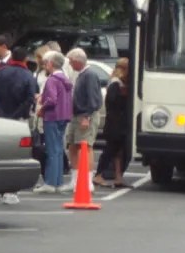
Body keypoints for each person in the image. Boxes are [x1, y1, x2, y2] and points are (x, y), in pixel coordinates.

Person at [0, 45, 39, 205]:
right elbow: (30, 98)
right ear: (25, 59)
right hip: (18, 120)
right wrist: (16, 114)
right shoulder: (28, 75)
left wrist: (0, 112)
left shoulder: (1, 72)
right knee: (15, 156)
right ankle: (10, 192)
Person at [63, 47, 103, 193]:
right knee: (73, 146)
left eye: (71, 61)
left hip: (85, 115)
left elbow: (93, 97)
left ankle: (87, 181)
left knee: (85, 147)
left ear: (77, 61)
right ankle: (75, 180)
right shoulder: (81, 74)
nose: (70, 64)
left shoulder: (89, 75)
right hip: (76, 115)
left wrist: (87, 116)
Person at [36, 50, 72, 193]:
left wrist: (42, 108)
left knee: (52, 149)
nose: (45, 65)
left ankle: (50, 182)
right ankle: (57, 181)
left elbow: (51, 100)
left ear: (51, 63)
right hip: (64, 116)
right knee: (58, 149)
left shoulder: (52, 80)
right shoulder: (65, 79)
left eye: (46, 63)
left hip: (52, 117)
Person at [95, 57, 130, 187]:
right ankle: (98, 175)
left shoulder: (118, 83)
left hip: (116, 123)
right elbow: (113, 101)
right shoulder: (116, 84)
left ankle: (118, 177)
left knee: (118, 152)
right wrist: (124, 96)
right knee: (110, 150)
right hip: (115, 124)